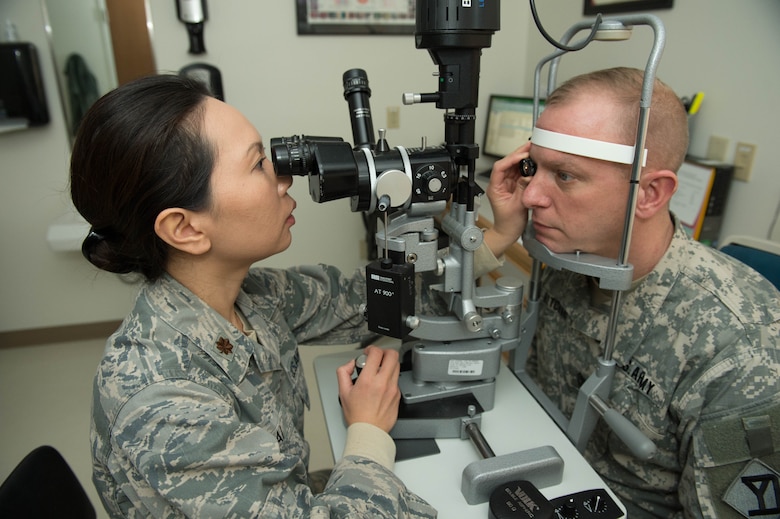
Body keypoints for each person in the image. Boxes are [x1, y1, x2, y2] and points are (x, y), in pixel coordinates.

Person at [70, 74, 437, 518]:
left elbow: (355, 298)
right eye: (259, 163)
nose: (285, 178)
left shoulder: (246, 295)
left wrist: (487, 243)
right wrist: (368, 432)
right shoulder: (167, 403)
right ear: (185, 228)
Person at [483, 67, 780, 518]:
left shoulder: (741, 348)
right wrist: (496, 238)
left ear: (650, 194)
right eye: (532, 167)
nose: (530, 196)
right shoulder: (569, 256)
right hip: (546, 472)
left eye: (565, 175)